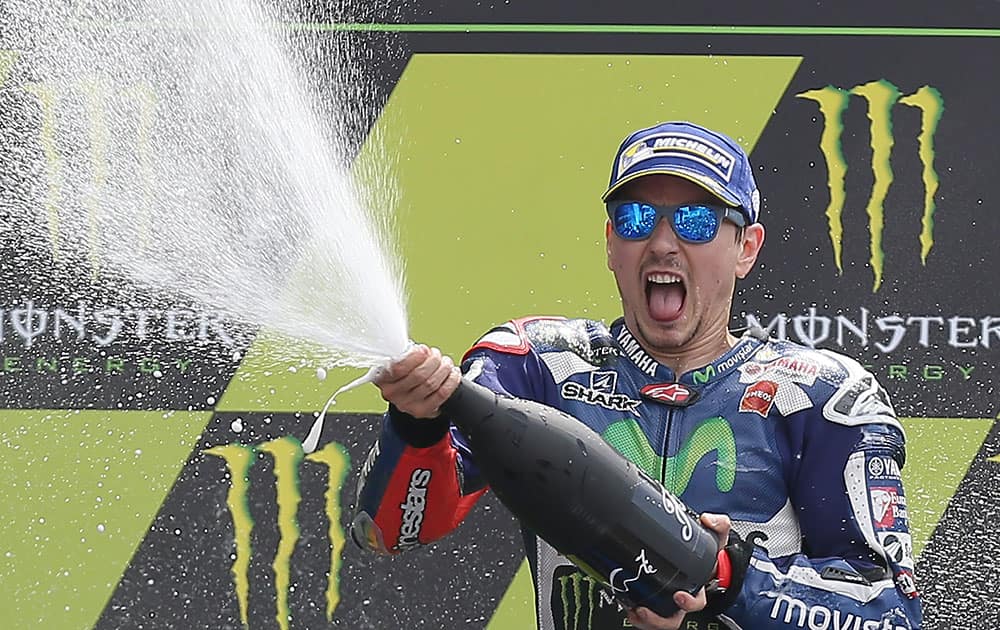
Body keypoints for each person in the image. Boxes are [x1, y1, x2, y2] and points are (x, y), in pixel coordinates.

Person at [350, 121, 923, 630]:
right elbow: (392, 531)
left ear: (746, 248)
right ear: (608, 243)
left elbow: (891, 614)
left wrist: (730, 582)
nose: (663, 243)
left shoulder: (821, 396)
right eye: (636, 218)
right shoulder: (534, 364)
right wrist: (416, 426)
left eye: (697, 221)